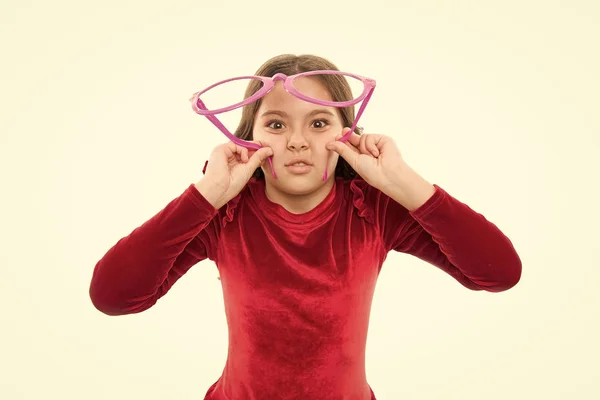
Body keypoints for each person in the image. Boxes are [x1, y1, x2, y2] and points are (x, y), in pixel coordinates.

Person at [89, 54, 522, 400]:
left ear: (346, 134)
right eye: (276, 124)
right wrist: (205, 195)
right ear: (248, 137)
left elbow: (499, 273)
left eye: (318, 123)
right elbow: (113, 297)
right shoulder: (224, 213)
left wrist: (404, 184)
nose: (297, 141)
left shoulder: (374, 210)